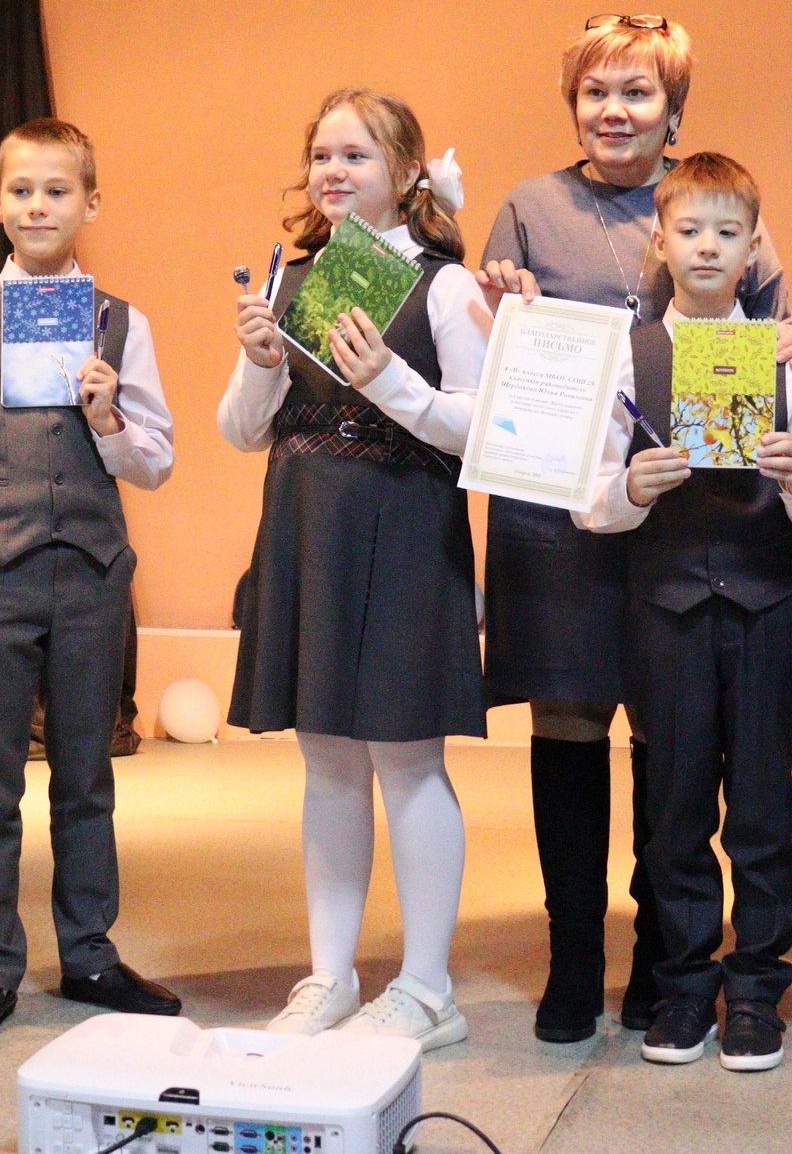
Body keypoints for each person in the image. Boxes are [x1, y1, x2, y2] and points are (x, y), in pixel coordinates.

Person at [475, 13, 792, 1041]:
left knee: (676, 740)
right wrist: (498, 306)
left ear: (674, 109)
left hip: (691, 528)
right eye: (594, 91)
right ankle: (574, 959)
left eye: (637, 91)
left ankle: (669, 959)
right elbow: (495, 355)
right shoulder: (527, 208)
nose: (613, 110)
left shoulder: (713, 207)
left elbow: (774, 339)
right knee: (569, 723)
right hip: (563, 517)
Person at [0, 118, 181, 1049]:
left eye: (57, 190)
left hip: (90, 571)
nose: (38, 206)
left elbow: (156, 462)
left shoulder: (122, 321)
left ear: (90, 203)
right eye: (21, 190)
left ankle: (90, 952)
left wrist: (109, 419)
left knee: (86, 771)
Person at [223, 88, 486, 1051]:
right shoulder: (295, 275)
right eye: (322, 154)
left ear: (408, 172)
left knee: (407, 759)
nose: (334, 171)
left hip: (405, 529)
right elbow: (241, 429)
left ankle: (428, 989)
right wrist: (259, 358)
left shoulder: (444, 287)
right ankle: (329, 974)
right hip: (306, 528)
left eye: (357, 155)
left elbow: (480, 427)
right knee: (327, 757)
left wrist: (390, 381)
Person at [575, 152, 792, 1074]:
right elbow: (590, 502)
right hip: (666, 608)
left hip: (768, 608)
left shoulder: (788, 359)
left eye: (729, 231)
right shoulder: (629, 354)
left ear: (755, 246)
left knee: (763, 807)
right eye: (690, 229)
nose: (709, 246)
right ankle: (684, 986)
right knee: (676, 804)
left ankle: (756, 988)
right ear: (661, 241)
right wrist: (632, 488)